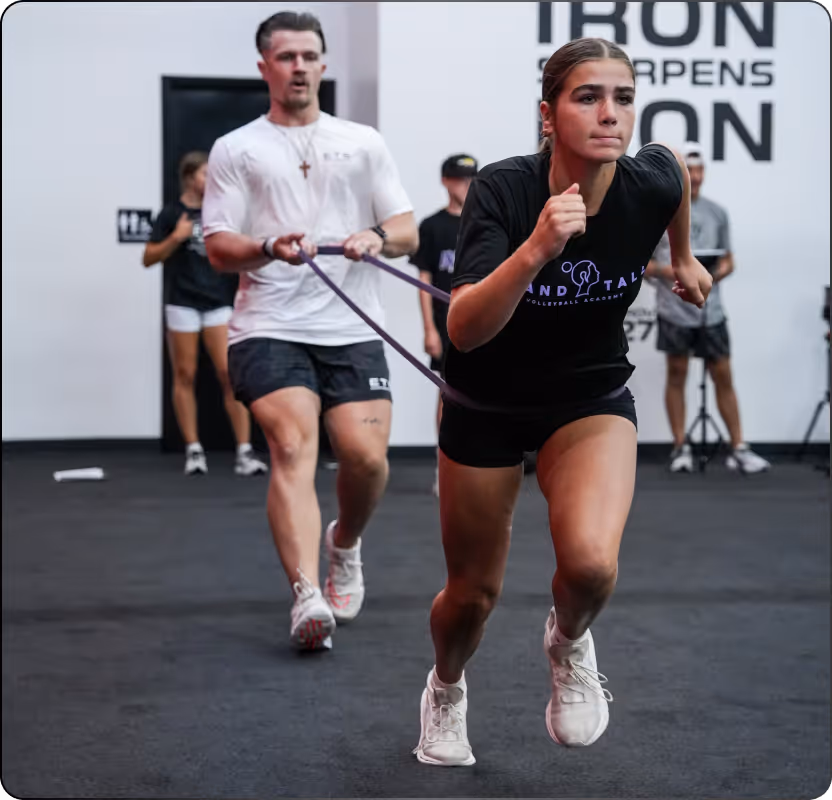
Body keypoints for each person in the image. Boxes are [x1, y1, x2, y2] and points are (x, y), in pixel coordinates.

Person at [412, 37, 713, 766]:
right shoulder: (504, 191)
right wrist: (536, 249)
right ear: (547, 115)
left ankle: (568, 640)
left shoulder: (653, 178)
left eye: (623, 97)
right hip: (485, 400)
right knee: (470, 597)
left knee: (590, 566)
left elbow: (672, 173)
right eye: (587, 97)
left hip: (588, 394)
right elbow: (464, 327)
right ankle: (446, 688)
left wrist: (682, 256)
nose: (610, 114)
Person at [202, 11, 417, 651]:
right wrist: (268, 245)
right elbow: (218, 247)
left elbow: (406, 230)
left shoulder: (362, 141)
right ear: (265, 67)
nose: (300, 66)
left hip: (351, 323)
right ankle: (307, 595)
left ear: (324, 65)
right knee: (292, 447)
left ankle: (343, 543)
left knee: (366, 458)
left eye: (310, 56)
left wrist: (374, 237)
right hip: (269, 322)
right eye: (287, 56)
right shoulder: (237, 149)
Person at [645, 144, 770, 474]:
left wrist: (711, 274)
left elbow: (729, 259)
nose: (696, 177)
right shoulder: (658, 212)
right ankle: (679, 446)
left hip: (710, 310)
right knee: (677, 375)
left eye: (700, 171)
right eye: (691, 170)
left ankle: (738, 447)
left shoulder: (717, 212)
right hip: (673, 309)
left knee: (723, 375)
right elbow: (643, 265)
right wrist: (676, 270)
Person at [143, 152, 268, 477]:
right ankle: (194, 450)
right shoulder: (171, 214)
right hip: (182, 303)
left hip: (217, 302)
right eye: (204, 174)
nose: (210, 180)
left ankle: (244, 452)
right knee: (184, 375)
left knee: (230, 375)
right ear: (189, 178)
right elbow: (148, 257)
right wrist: (175, 237)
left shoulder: (221, 213)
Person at [410, 154, 478, 497]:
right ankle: (445, 469)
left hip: (482, 320)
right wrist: (429, 329)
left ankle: (481, 468)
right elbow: (423, 278)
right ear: (445, 181)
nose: (465, 185)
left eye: (470, 179)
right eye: (458, 179)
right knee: (448, 397)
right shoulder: (433, 226)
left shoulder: (484, 222)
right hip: (446, 324)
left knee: (485, 394)